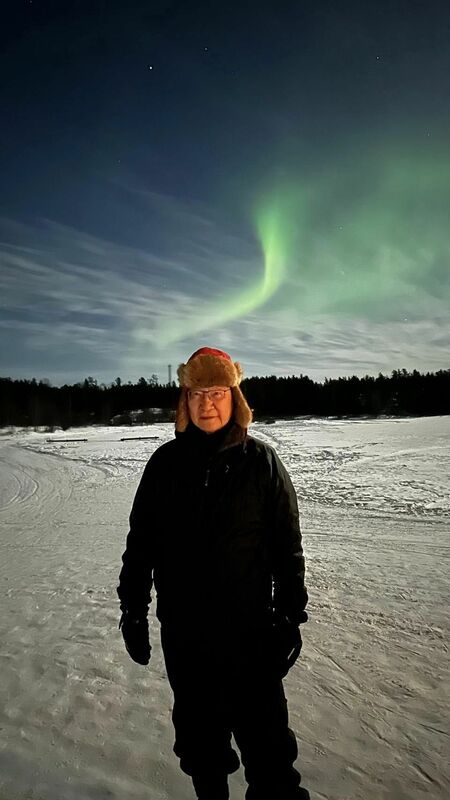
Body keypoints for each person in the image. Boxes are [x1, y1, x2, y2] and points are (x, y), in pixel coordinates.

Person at [117, 346, 310, 800]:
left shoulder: (262, 463)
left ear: (234, 398)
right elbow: (140, 543)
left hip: (252, 638)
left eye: (218, 392)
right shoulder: (164, 465)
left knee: (271, 760)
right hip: (186, 641)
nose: (208, 403)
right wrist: (133, 609)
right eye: (197, 392)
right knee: (203, 753)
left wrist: (289, 615)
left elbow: (288, 548)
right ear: (185, 401)